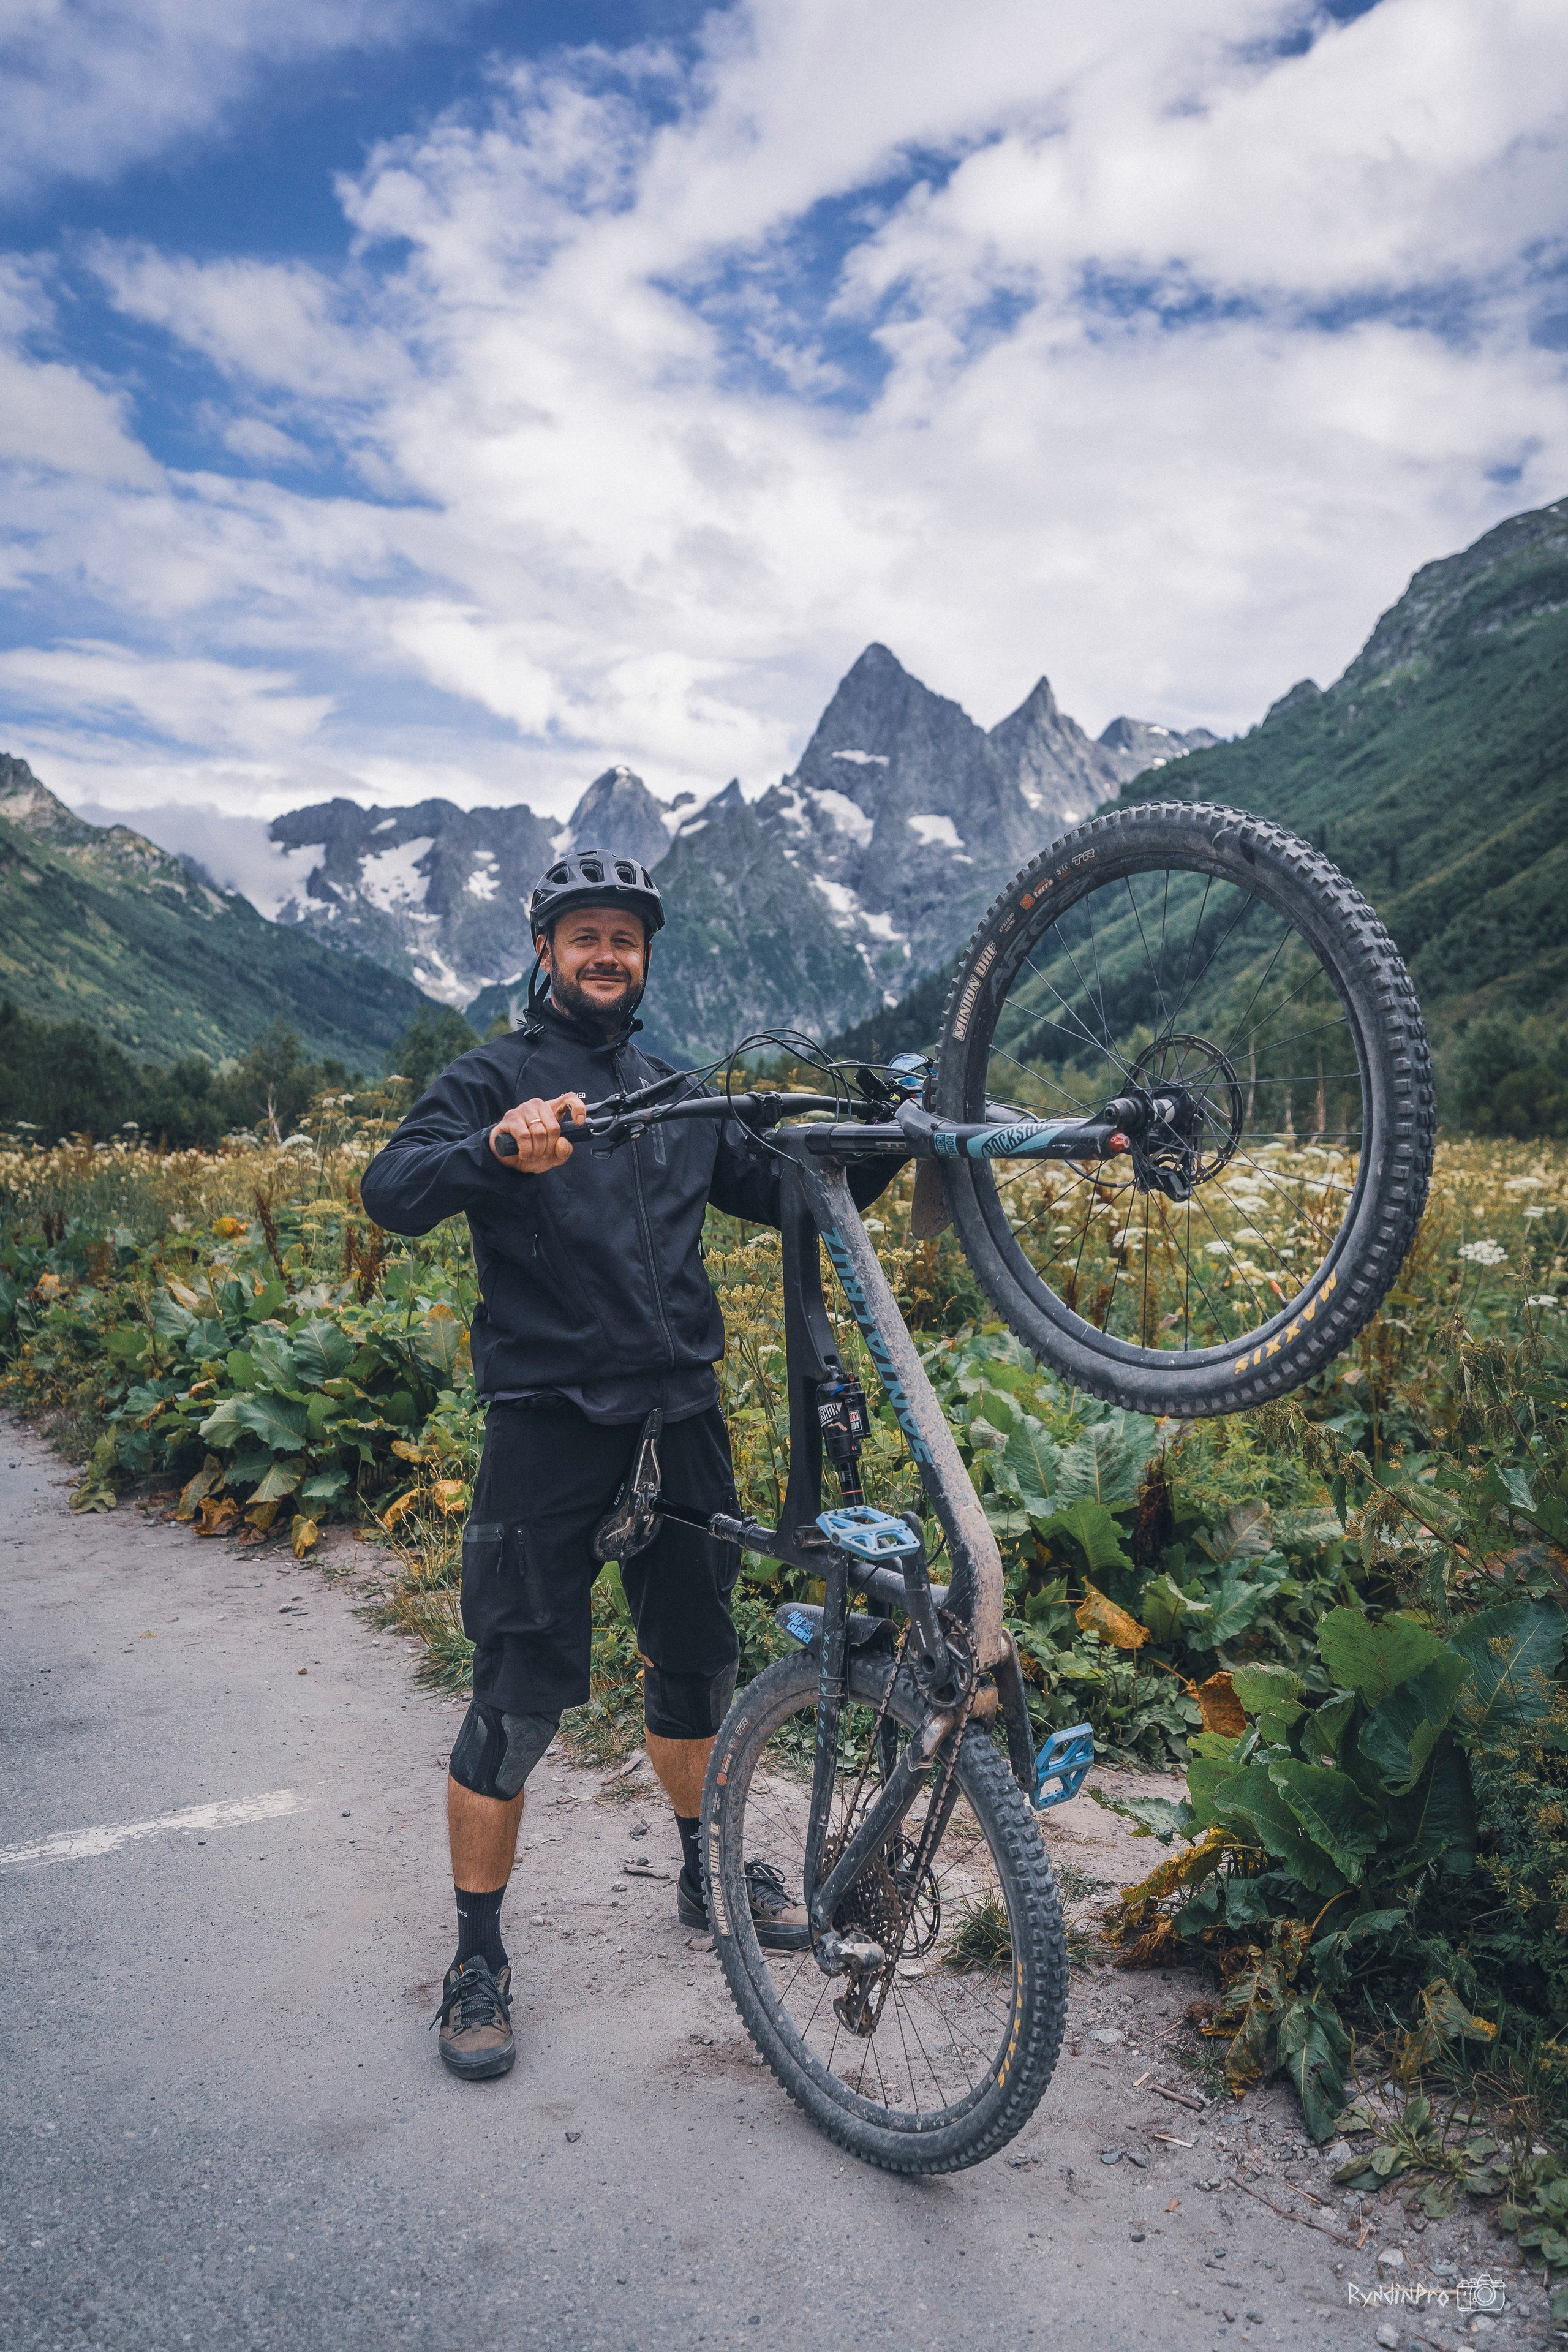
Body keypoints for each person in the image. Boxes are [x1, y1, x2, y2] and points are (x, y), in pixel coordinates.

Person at [360, 846, 903, 2080]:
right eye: (583, 934)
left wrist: (885, 1140)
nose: (607, 953)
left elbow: (783, 1195)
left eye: (626, 937)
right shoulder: (491, 1079)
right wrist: (494, 1150)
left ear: (644, 956)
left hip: (682, 1420)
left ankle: (706, 1874)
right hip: (548, 1425)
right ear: (545, 952)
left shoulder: (672, 1088)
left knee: (696, 1669)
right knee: (513, 1701)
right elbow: (389, 1188)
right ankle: (476, 1962)